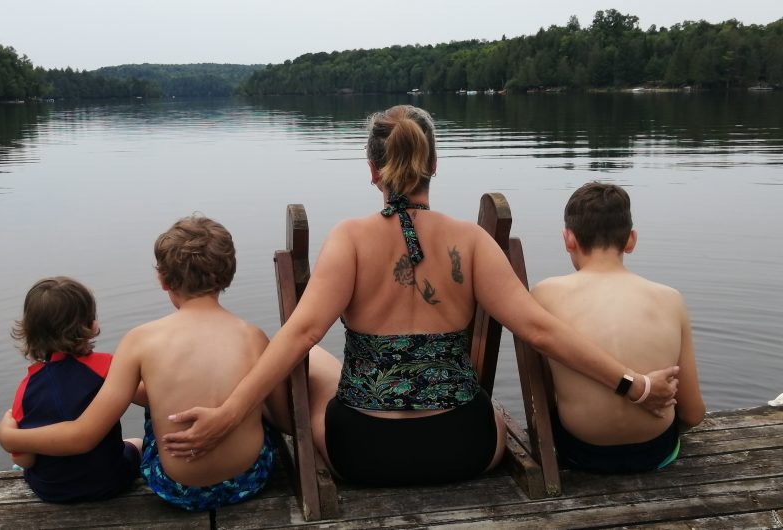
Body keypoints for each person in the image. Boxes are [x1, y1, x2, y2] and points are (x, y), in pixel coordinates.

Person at [157, 105, 679, 487]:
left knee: (311, 354)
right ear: (434, 163)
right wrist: (632, 385)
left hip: (362, 453)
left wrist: (229, 412)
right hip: (465, 448)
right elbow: (539, 329)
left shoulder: (350, 239)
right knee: (477, 399)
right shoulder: (470, 241)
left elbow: (302, 332)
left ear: (371, 169)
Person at [0, 216, 289, 511]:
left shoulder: (140, 341)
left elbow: (84, 435)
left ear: (162, 279)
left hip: (177, 488)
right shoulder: (254, 336)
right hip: (249, 480)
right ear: (229, 275)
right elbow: (284, 419)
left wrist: (11, 437)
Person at [532, 182, 705, 473]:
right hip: (655, 451)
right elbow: (693, 413)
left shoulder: (544, 294)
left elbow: (546, 399)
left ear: (568, 239)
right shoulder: (670, 298)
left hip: (580, 452)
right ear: (631, 240)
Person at [6, 276, 142, 503]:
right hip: (110, 483)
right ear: (91, 326)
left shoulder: (25, 388)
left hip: (52, 492)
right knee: (137, 442)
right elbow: (146, 395)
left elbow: (25, 460)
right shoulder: (106, 366)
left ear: (30, 332)